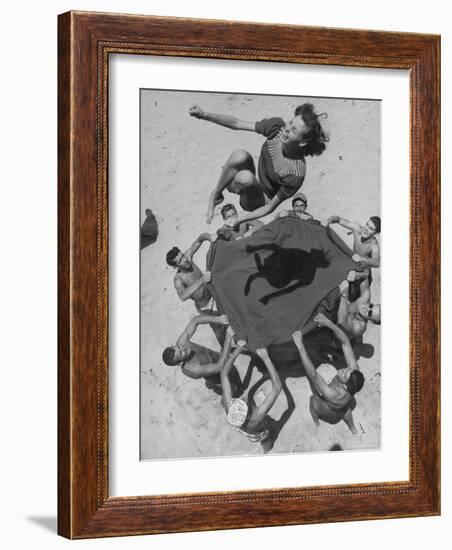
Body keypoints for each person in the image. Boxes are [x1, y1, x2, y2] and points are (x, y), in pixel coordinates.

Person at [189, 102, 328, 225]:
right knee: (240, 155)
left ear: (303, 142)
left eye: (294, 130)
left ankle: (234, 184)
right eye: (291, 122)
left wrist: (241, 219)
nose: (287, 129)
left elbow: (270, 207)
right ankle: (216, 195)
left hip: (259, 200)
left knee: (245, 177)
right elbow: (237, 123)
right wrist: (204, 115)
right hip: (255, 175)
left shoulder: (295, 174)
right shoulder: (276, 128)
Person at [292, 317, 364, 434]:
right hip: (343, 406)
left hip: (329, 408)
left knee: (313, 402)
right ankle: (352, 428)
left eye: (344, 374)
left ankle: (316, 421)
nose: (343, 369)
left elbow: (313, 375)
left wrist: (300, 345)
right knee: (346, 411)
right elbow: (345, 342)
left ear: (345, 386)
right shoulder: (354, 374)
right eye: (347, 370)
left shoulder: (333, 395)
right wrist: (329, 323)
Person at [221, 331, 282, 442]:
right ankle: (267, 447)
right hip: (255, 432)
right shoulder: (256, 419)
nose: (243, 399)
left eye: (240, 401)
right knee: (265, 440)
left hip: (241, 425)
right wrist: (266, 359)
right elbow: (277, 387)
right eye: (245, 404)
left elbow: (224, 374)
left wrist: (237, 350)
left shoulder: (230, 406)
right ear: (248, 416)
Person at [162, 313, 232, 388]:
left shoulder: (182, 342)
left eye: (179, 347)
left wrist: (218, 319)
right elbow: (220, 367)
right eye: (181, 353)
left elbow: (195, 321)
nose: (183, 348)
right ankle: (215, 385)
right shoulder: (193, 369)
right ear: (180, 363)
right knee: (233, 386)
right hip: (217, 373)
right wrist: (228, 338)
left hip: (218, 357)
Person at [166, 232, 216, 311]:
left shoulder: (188, 256)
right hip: (207, 306)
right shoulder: (178, 279)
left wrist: (209, 237)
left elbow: (200, 239)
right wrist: (201, 280)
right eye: (180, 261)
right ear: (175, 267)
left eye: (182, 256)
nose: (185, 260)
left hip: (213, 292)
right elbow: (182, 296)